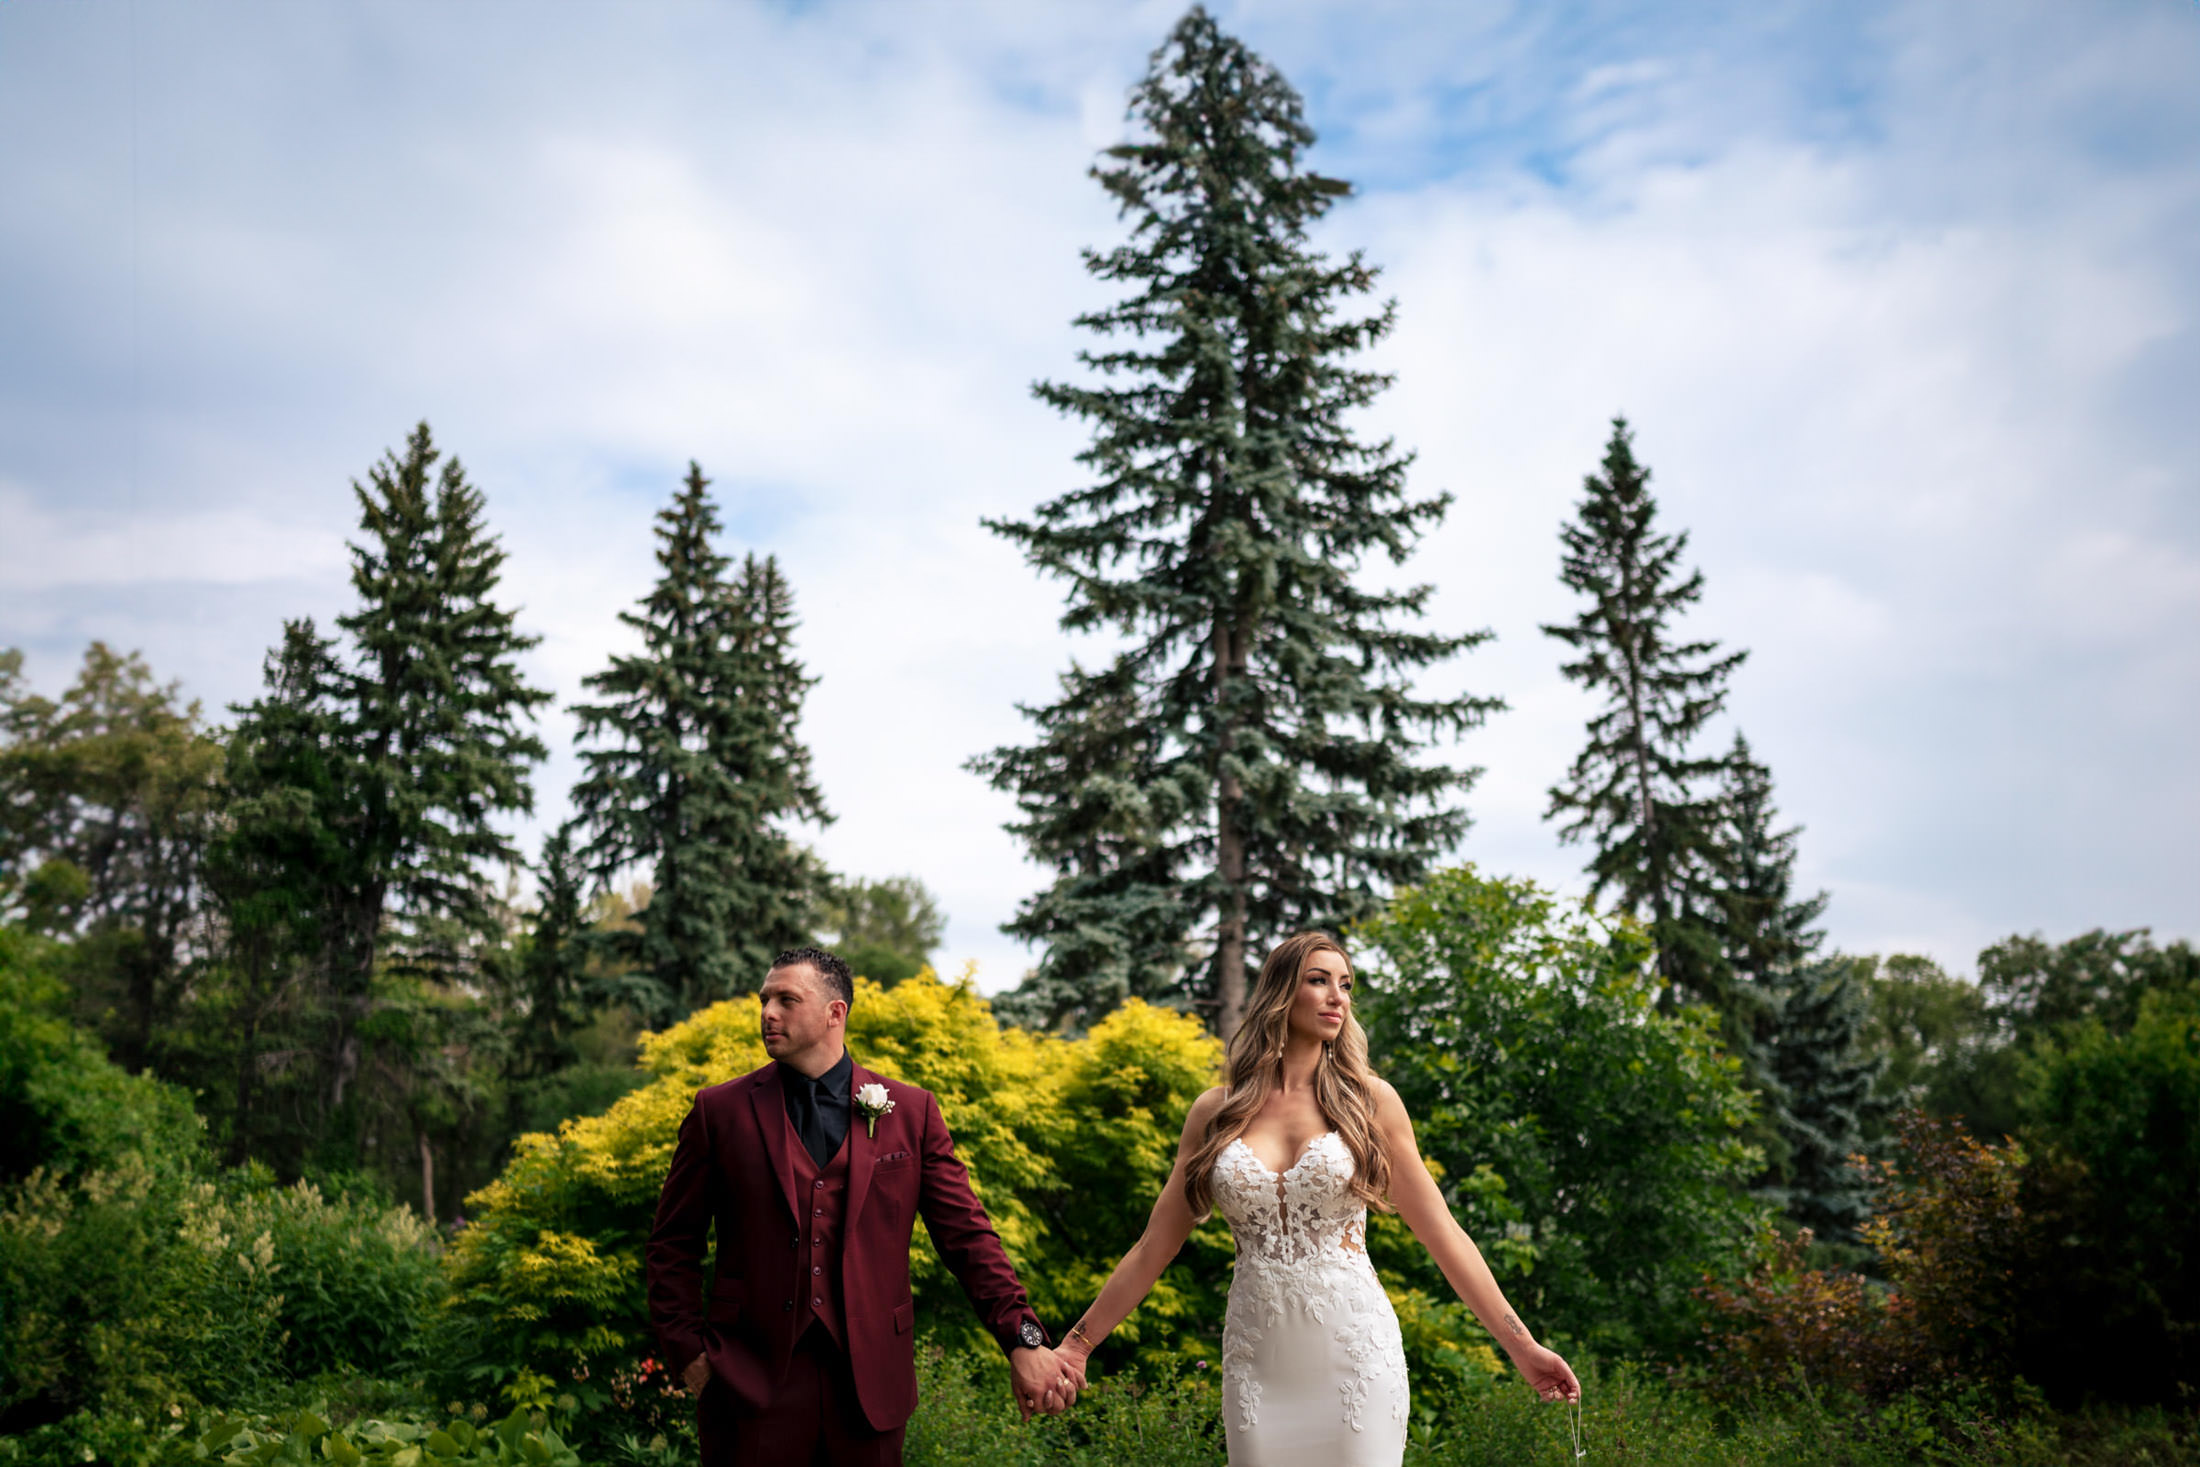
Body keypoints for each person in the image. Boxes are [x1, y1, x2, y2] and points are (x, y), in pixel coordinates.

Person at [1054, 931, 1581, 1467]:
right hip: (1257, 1368)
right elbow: (1153, 1247)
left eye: (1346, 985)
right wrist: (1077, 1344)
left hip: (1355, 1358)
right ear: (1280, 993)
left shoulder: (1371, 1103)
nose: (1338, 997)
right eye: (1319, 981)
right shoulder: (1215, 1113)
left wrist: (1523, 1346)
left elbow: (1442, 1233)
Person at [645, 946, 1079, 1466]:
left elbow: (967, 1237)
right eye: (764, 1000)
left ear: (836, 1013)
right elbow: (673, 1243)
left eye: (787, 1000)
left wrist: (1023, 1338)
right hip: (748, 1383)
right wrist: (688, 1352)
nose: (768, 1013)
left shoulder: (910, 1112)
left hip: (869, 1386)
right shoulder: (719, 1111)